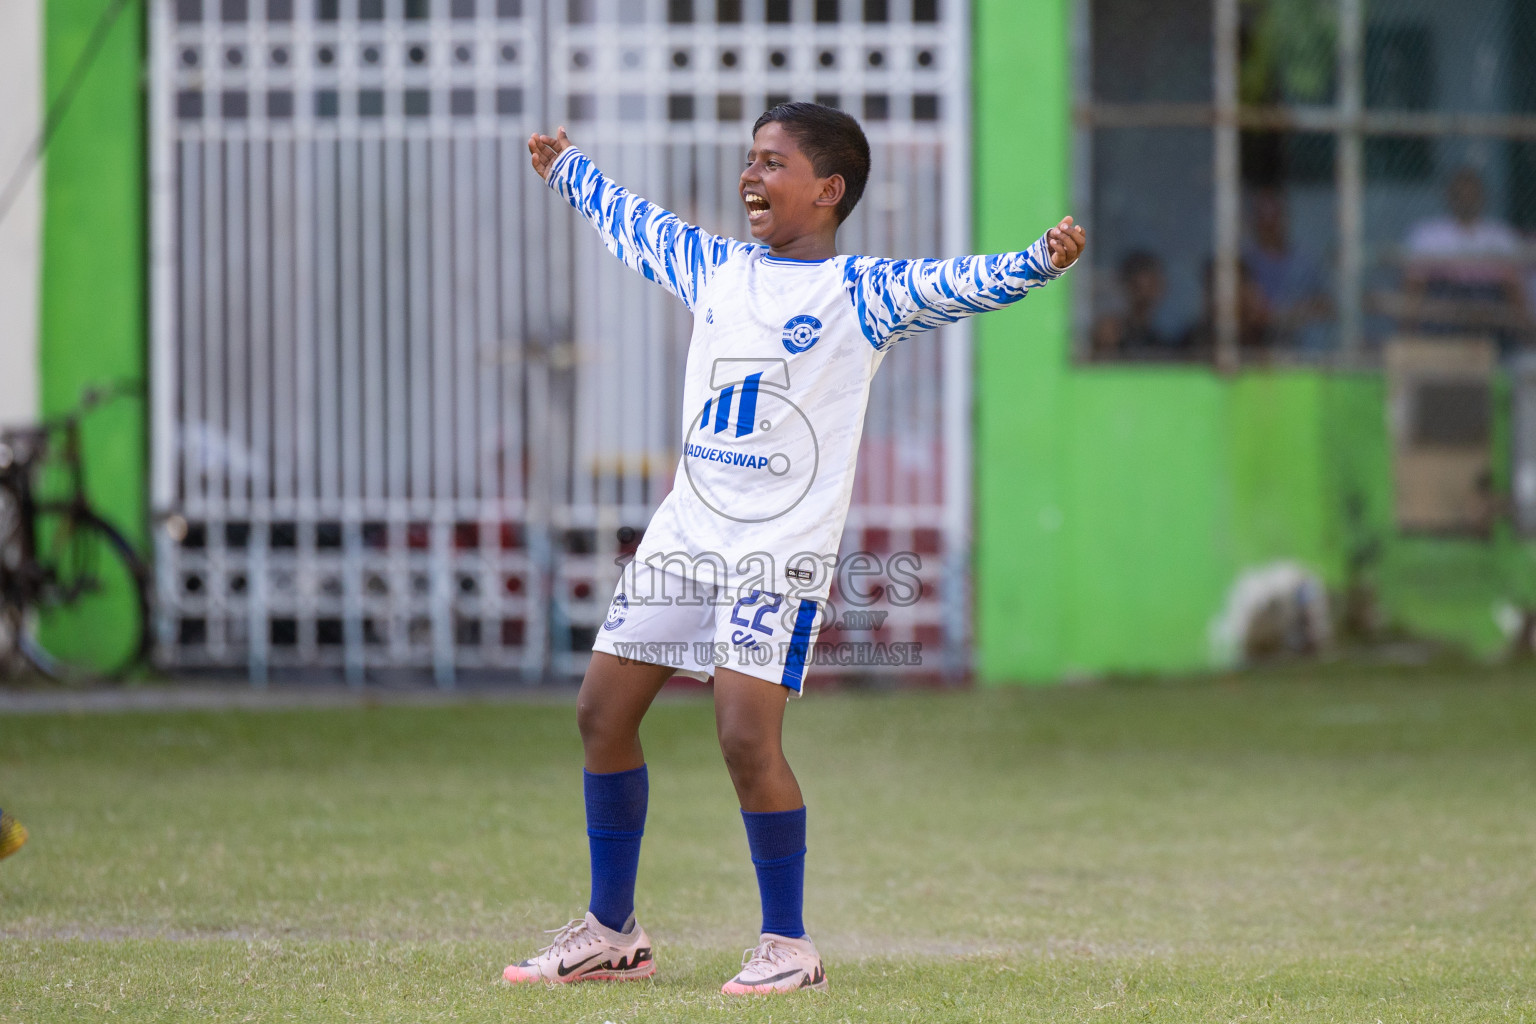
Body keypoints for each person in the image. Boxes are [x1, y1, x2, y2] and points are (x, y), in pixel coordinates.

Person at [505, 103, 1084, 996]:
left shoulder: (863, 294)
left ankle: (789, 947)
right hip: (685, 535)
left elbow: (958, 282)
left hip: (778, 552)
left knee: (743, 735)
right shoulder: (716, 268)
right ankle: (611, 933)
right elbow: (638, 225)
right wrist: (570, 172)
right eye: (750, 160)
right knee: (600, 714)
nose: (751, 178)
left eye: (772, 164)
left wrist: (1039, 262)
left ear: (828, 189)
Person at [1403, 167, 1530, 351]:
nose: (1466, 199)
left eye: (1471, 194)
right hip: (1443, 306)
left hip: (1487, 306)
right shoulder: (1428, 234)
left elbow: (1513, 288)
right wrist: (1407, 332)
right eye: (1460, 194)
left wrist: (1526, 332)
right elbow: (1414, 286)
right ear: (1449, 196)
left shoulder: (1500, 235)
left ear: (1482, 197)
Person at [1244, 187, 1332, 351]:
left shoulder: (1305, 261)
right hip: (1259, 352)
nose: (1269, 223)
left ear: (1284, 219)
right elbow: (1252, 315)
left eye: (1274, 216)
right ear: (1254, 222)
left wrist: (1279, 314)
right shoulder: (1246, 262)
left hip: (1305, 350)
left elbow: (1326, 306)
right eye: (1263, 217)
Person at [1091, 250, 1174, 360]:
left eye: (1155, 284)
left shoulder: (1160, 338)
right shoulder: (1111, 333)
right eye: (1139, 287)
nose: (1149, 294)